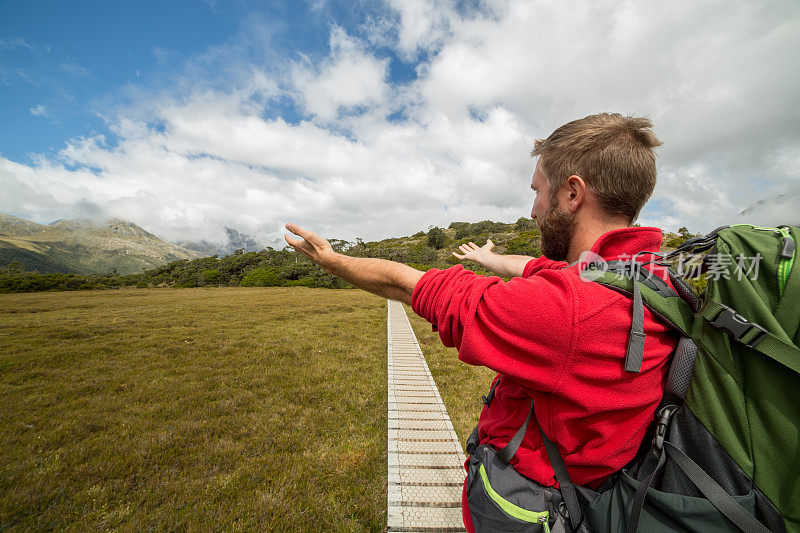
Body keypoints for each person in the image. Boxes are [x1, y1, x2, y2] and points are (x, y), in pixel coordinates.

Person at [284, 112, 677, 532]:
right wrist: (487, 259)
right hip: (599, 489)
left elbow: (410, 287)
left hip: (529, 506)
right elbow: (533, 265)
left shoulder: (566, 310)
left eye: (538, 190)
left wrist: (332, 261)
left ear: (572, 193)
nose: (533, 210)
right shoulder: (645, 274)